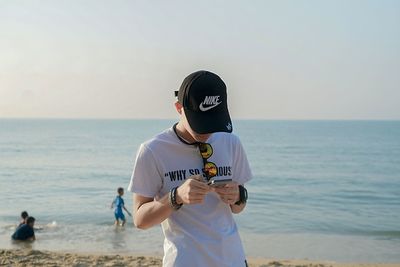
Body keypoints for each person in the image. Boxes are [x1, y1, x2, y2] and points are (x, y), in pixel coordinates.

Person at [128, 70, 252, 267]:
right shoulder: (153, 150)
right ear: (179, 108)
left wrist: (237, 196)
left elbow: (238, 208)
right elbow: (140, 220)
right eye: (200, 124)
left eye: (213, 122)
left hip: (232, 259)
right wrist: (175, 197)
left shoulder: (231, 143)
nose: (207, 131)